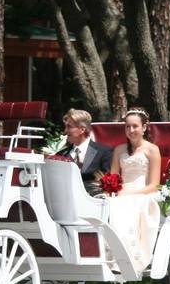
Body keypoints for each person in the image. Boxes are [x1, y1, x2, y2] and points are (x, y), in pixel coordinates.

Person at [104, 107, 163, 272]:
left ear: (144, 128)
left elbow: (153, 185)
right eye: (127, 126)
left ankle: (126, 258)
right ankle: (106, 255)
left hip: (143, 192)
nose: (131, 130)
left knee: (126, 204)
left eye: (135, 126)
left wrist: (127, 193)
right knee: (106, 203)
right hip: (121, 191)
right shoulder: (119, 150)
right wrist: (111, 190)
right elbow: (113, 177)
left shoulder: (152, 150)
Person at [56, 108, 113, 195]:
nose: (65, 131)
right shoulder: (61, 155)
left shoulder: (104, 152)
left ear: (82, 130)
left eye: (69, 127)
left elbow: (108, 183)